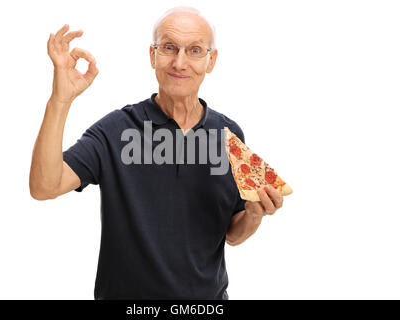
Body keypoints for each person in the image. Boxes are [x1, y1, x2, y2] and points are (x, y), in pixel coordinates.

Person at [29, 6, 284, 300]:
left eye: (195, 50)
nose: (180, 62)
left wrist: (253, 214)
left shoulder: (229, 136)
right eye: (169, 48)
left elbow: (231, 235)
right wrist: (60, 101)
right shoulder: (116, 130)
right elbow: (44, 187)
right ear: (152, 55)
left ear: (211, 61)